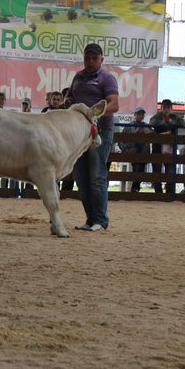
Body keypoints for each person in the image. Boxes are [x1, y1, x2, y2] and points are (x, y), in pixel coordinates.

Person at [68, 43, 119, 231]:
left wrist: (93, 113)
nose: (90, 61)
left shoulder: (107, 78)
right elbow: (70, 97)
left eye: (94, 58)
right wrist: (69, 102)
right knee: (81, 177)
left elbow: (114, 105)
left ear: (101, 60)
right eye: (87, 57)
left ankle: (100, 220)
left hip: (101, 131)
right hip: (79, 133)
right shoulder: (77, 78)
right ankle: (90, 219)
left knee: (97, 176)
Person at [148, 99, 185, 194]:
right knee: (157, 171)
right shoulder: (157, 116)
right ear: (161, 108)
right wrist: (167, 124)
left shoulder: (174, 116)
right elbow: (151, 122)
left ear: (171, 108)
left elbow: (183, 123)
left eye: (168, 107)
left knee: (170, 171)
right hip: (157, 147)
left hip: (170, 147)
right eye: (164, 107)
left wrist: (170, 122)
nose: (166, 110)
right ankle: (158, 193)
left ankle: (169, 193)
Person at [119, 107, 152, 193]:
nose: (141, 115)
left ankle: (135, 189)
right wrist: (127, 149)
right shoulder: (129, 126)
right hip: (134, 152)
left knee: (140, 170)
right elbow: (121, 140)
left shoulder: (146, 127)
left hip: (143, 152)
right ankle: (135, 189)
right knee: (137, 169)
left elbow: (154, 136)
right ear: (135, 115)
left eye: (142, 114)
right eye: (139, 114)